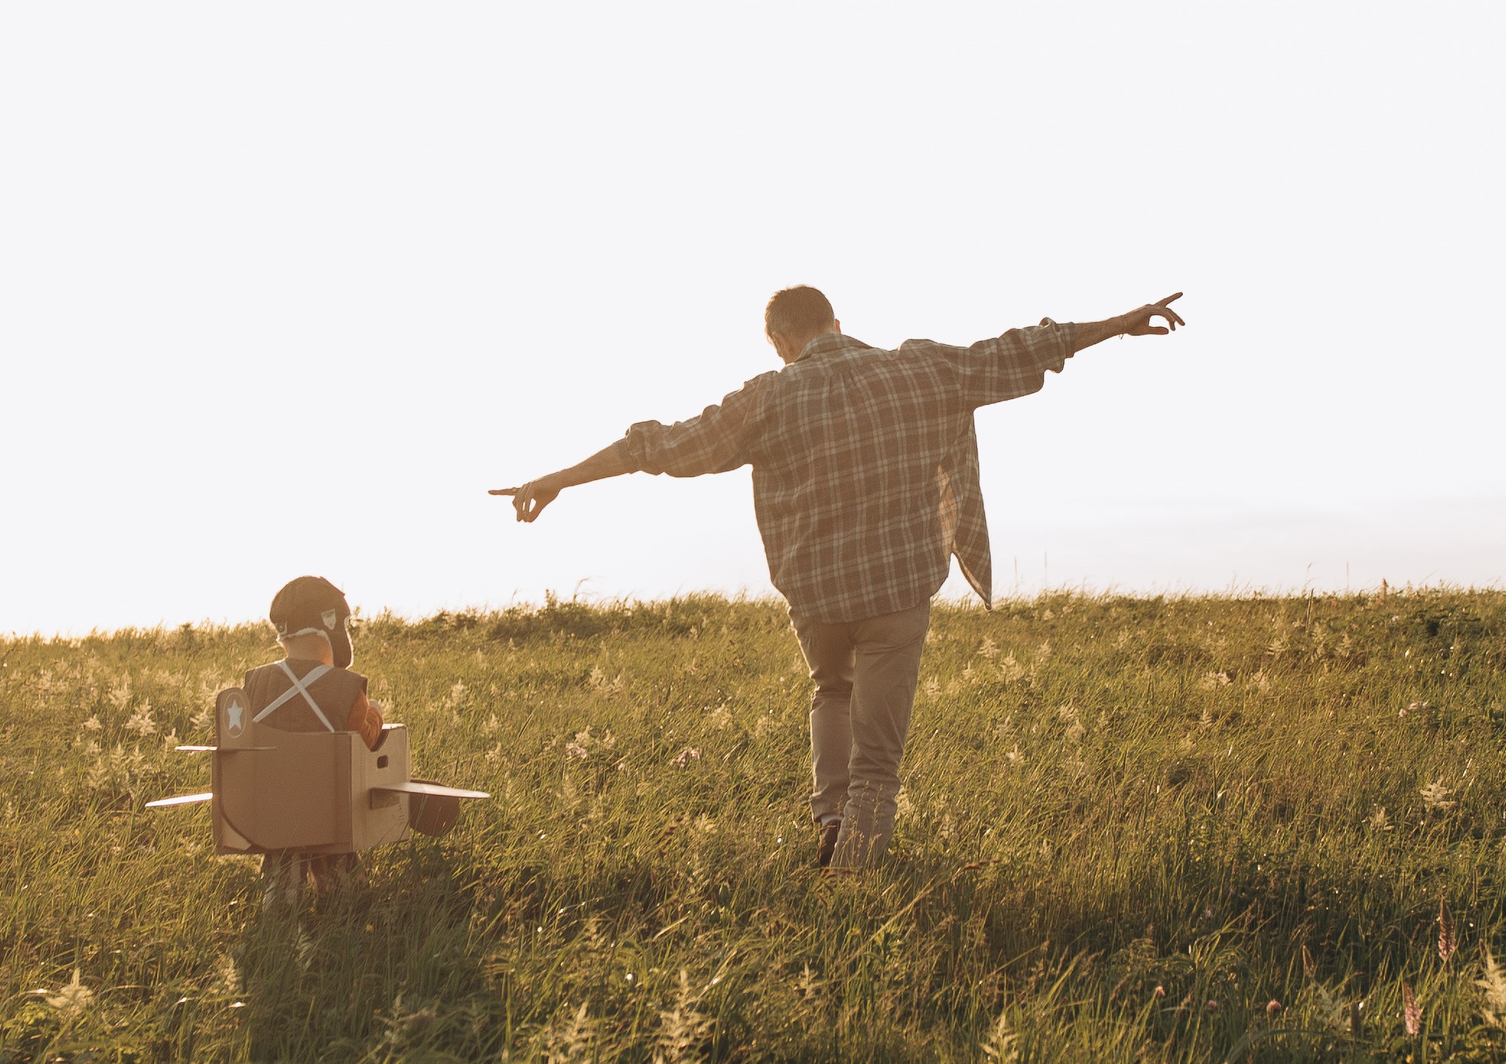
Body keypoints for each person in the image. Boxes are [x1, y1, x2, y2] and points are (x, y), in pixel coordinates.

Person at [492, 287, 1185, 868]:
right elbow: (1014, 351)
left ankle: (831, 824)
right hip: (896, 590)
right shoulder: (919, 369)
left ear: (780, 342)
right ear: (837, 325)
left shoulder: (767, 397)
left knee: (830, 687)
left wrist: (557, 479)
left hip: (819, 598)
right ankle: (851, 884)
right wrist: (1117, 325)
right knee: (878, 764)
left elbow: (660, 445)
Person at [245, 575, 386, 898]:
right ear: (329, 625)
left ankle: (281, 899)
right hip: (329, 812)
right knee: (342, 873)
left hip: (273, 814)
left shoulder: (255, 684)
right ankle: (342, 900)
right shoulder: (346, 689)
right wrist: (374, 712)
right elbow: (365, 738)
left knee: (283, 860)